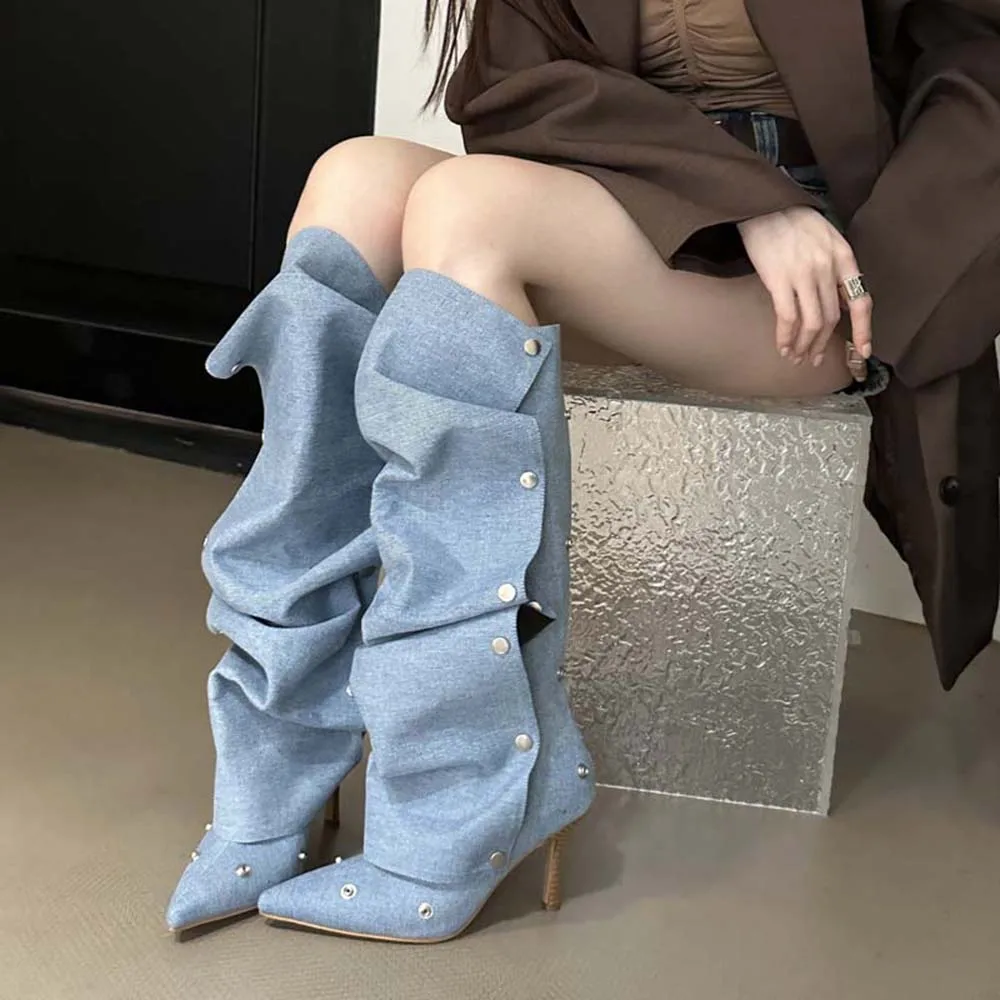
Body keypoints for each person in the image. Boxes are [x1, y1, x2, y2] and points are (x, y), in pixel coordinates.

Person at [166, 0, 1000, 943]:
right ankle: (278, 758)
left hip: (812, 282)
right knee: (351, 181)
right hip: (639, 218)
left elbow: (981, 75)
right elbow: (517, 89)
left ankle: (461, 801)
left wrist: (868, 270)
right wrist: (741, 199)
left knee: (468, 208)